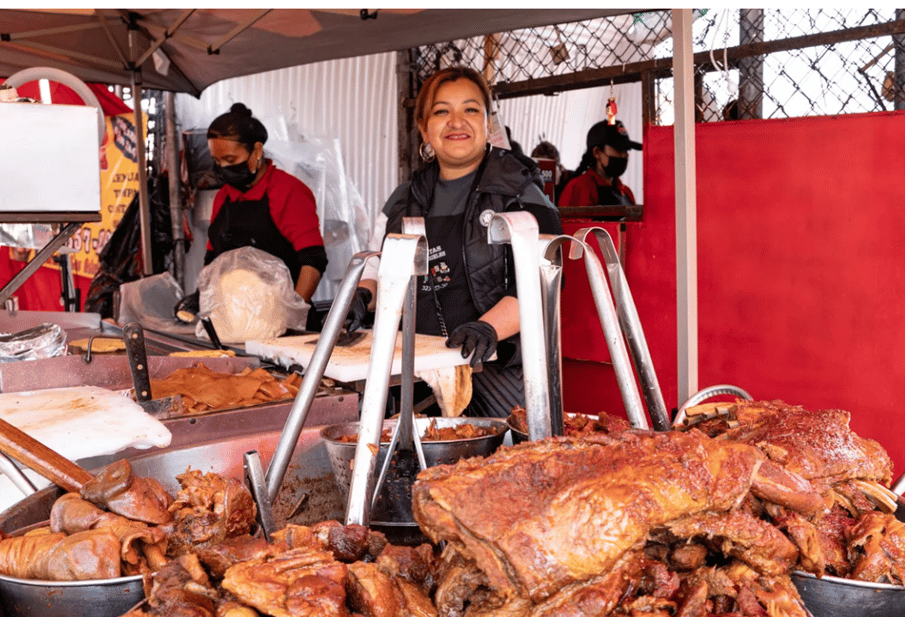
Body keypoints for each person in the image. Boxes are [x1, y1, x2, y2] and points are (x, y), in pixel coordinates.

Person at [349, 66, 561, 418]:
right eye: (441, 111)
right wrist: (362, 296)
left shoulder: (522, 191)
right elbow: (378, 262)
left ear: (488, 123)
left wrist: (488, 327)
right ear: (424, 129)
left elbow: (544, 277)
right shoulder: (405, 198)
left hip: (498, 370)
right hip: (417, 370)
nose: (456, 122)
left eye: (470, 110)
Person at [181, 103, 327, 321]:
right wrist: (201, 294)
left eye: (230, 160)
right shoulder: (223, 197)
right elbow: (213, 260)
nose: (223, 168)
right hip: (233, 321)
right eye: (217, 161)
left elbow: (313, 261)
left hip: (283, 322)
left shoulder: (288, 191)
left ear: (256, 151)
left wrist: (292, 312)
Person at [557, 119, 643, 207]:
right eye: (619, 150)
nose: (624, 155)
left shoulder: (626, 192)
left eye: (626, 150)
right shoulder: (578, 189)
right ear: (597, 152)